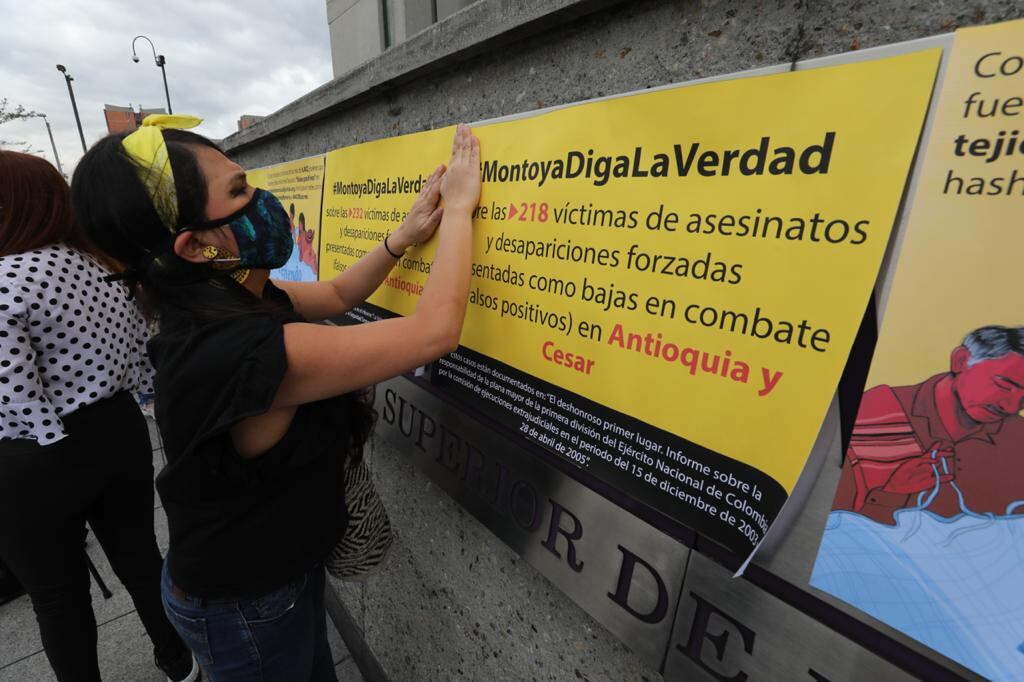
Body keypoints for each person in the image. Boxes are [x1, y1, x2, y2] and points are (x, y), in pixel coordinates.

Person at [70, 116, 480, 681]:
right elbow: (435, 332)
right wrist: (461, 209)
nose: (263, 198)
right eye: (239, 191)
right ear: (193, 247)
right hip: (244, 607)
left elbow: (336, 292)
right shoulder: (243, 350)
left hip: (265, 577)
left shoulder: (225, 294)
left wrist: (400, 239)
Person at [0, 150, 197, 681]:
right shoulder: (102, 268)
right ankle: (178, 657)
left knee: (57, 596)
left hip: (32, 455)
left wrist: (45, 439)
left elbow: (10, 390)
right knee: (140, 556)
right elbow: (139, 353)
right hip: (116, 429)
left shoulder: (4, 279)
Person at [833, 325, 1024, 524]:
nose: (1011, 407)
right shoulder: (873, 415)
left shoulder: (1018, 440)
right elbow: (836, 530)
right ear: (961, 360)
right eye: (1004, 384)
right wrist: (892, 493)